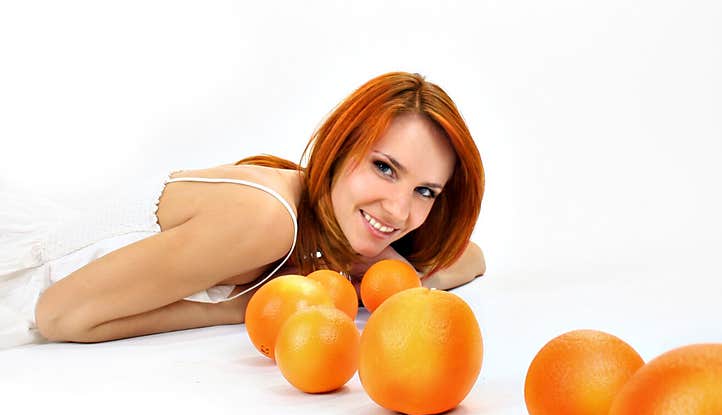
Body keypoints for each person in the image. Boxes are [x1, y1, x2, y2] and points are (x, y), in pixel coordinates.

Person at [0, 72, 485, 347]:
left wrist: (392, 278)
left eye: (426, 191)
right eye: (384, 168)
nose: (399, 210)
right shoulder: (268, 219)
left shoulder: (330, 227)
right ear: (338, 150)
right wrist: (244, 307)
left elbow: (472, 257)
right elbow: (60, 315)